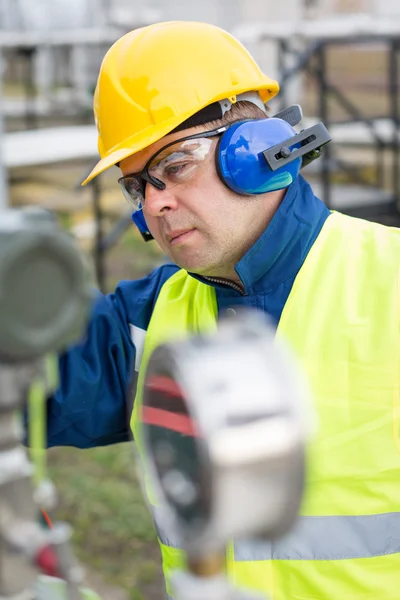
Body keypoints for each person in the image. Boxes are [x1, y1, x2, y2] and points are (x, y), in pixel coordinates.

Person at [47, 20, 400, 600]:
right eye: (138, 186)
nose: (156, 203)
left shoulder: (388, 282)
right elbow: (32, 368)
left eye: (176, 166)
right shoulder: (144, 323)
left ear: (254, 149)